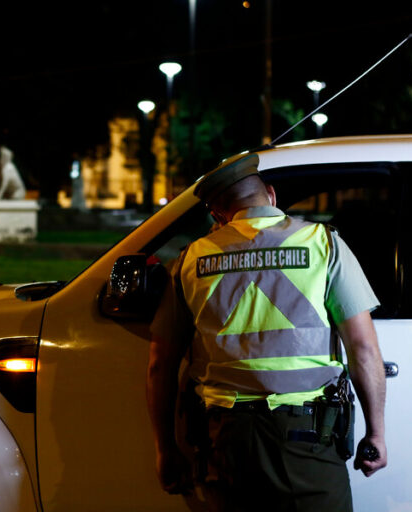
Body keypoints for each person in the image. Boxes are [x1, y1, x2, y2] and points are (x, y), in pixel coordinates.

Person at [147, 153, 387, 511]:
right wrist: (377, 433)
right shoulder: (322, 243)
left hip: (223, 443)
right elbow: (363, 349)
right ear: (271, 196)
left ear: (216, 214)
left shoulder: (191, 259)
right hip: (307, 439)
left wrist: (165, 450)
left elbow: (159, 365)